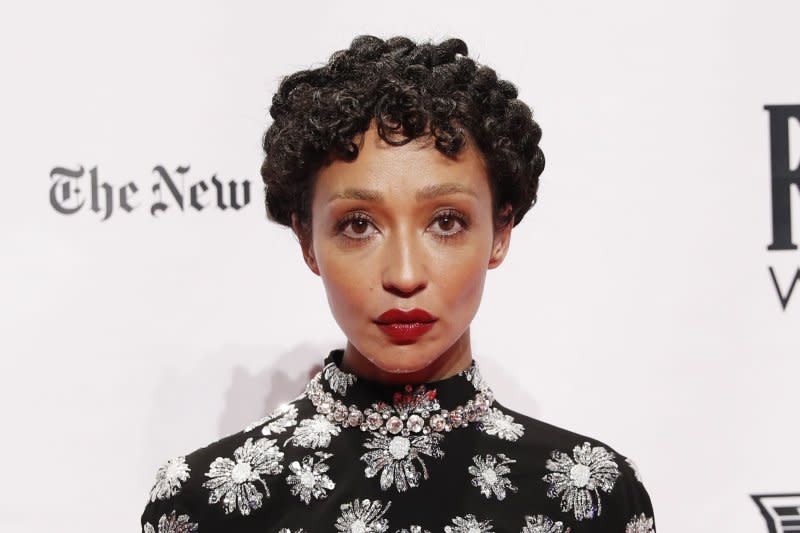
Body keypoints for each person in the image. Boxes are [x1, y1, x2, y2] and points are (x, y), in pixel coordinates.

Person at [140, 35, 656, 533]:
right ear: (306, 240)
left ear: (500, 232)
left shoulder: (594, 498)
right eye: (358, 224)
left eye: (446, 222)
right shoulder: (203, 507)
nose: (405, 276)